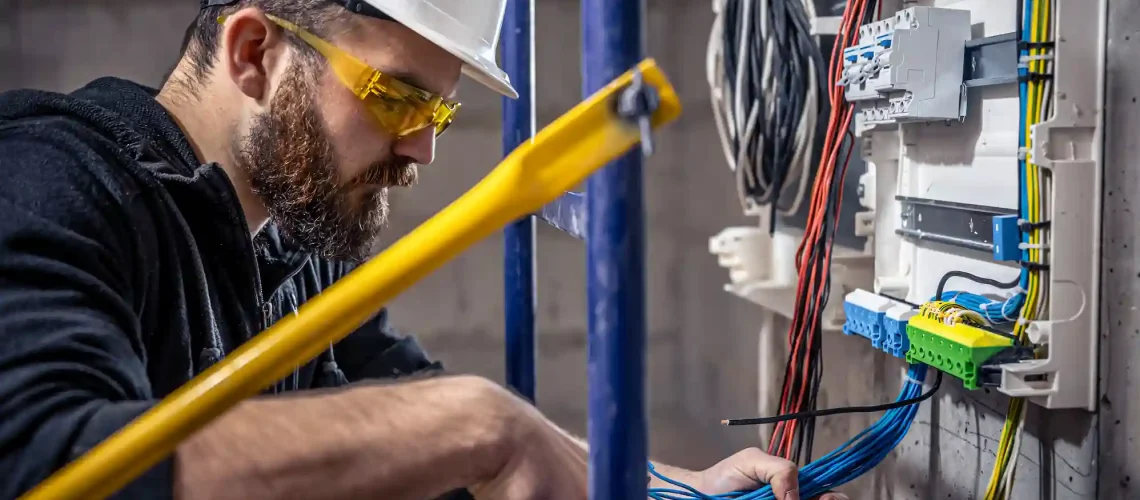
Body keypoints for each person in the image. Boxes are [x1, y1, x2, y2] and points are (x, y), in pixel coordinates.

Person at [0, 1, 849, 499]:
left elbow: (404, 405)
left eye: (437, 112)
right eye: (397, 98)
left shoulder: (290, 241)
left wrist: (657, 485)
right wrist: (479, 424)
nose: (424, 149)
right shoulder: (50, 184)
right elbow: (42, 459)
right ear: (255, 53)